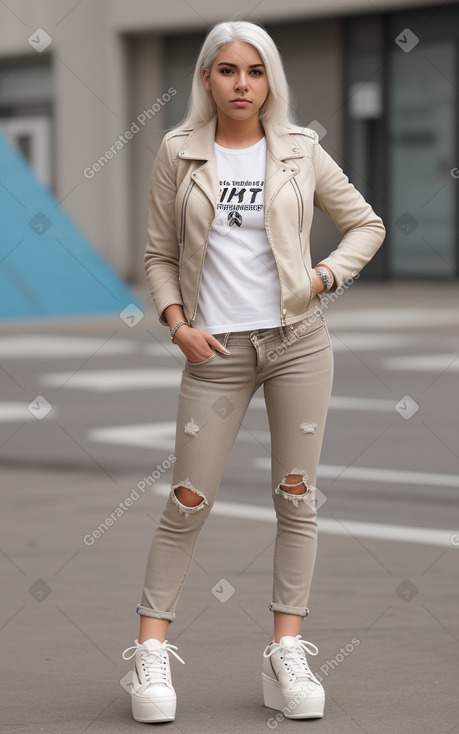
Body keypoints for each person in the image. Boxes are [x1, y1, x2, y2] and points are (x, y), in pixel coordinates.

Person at [122, 19, 385, 724]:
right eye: (228, 70)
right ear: (206, 78)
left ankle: (285, 651)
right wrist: (177, 323)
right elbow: (156, 253)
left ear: (271, 80)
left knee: (296, 499)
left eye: (255, 71)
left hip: (298, 342)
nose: (242, 84)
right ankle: (149, 656)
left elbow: (365, 223)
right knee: (186, 500)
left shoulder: (301, 152)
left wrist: (324, 277)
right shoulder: (179, 152)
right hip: (215, 355)